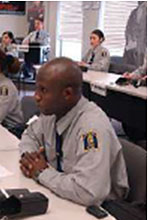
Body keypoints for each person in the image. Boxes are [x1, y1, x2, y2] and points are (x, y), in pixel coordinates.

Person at [19, 57, 129, 206]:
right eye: (36, 88)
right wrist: (29, 158)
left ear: (67, 94)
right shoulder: (52, 112)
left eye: (43, 90)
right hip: (64, 196)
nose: (36, 96)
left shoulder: (91, 127)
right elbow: (30, 135)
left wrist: (42, 172)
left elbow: (89, 192)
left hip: (101, 211)